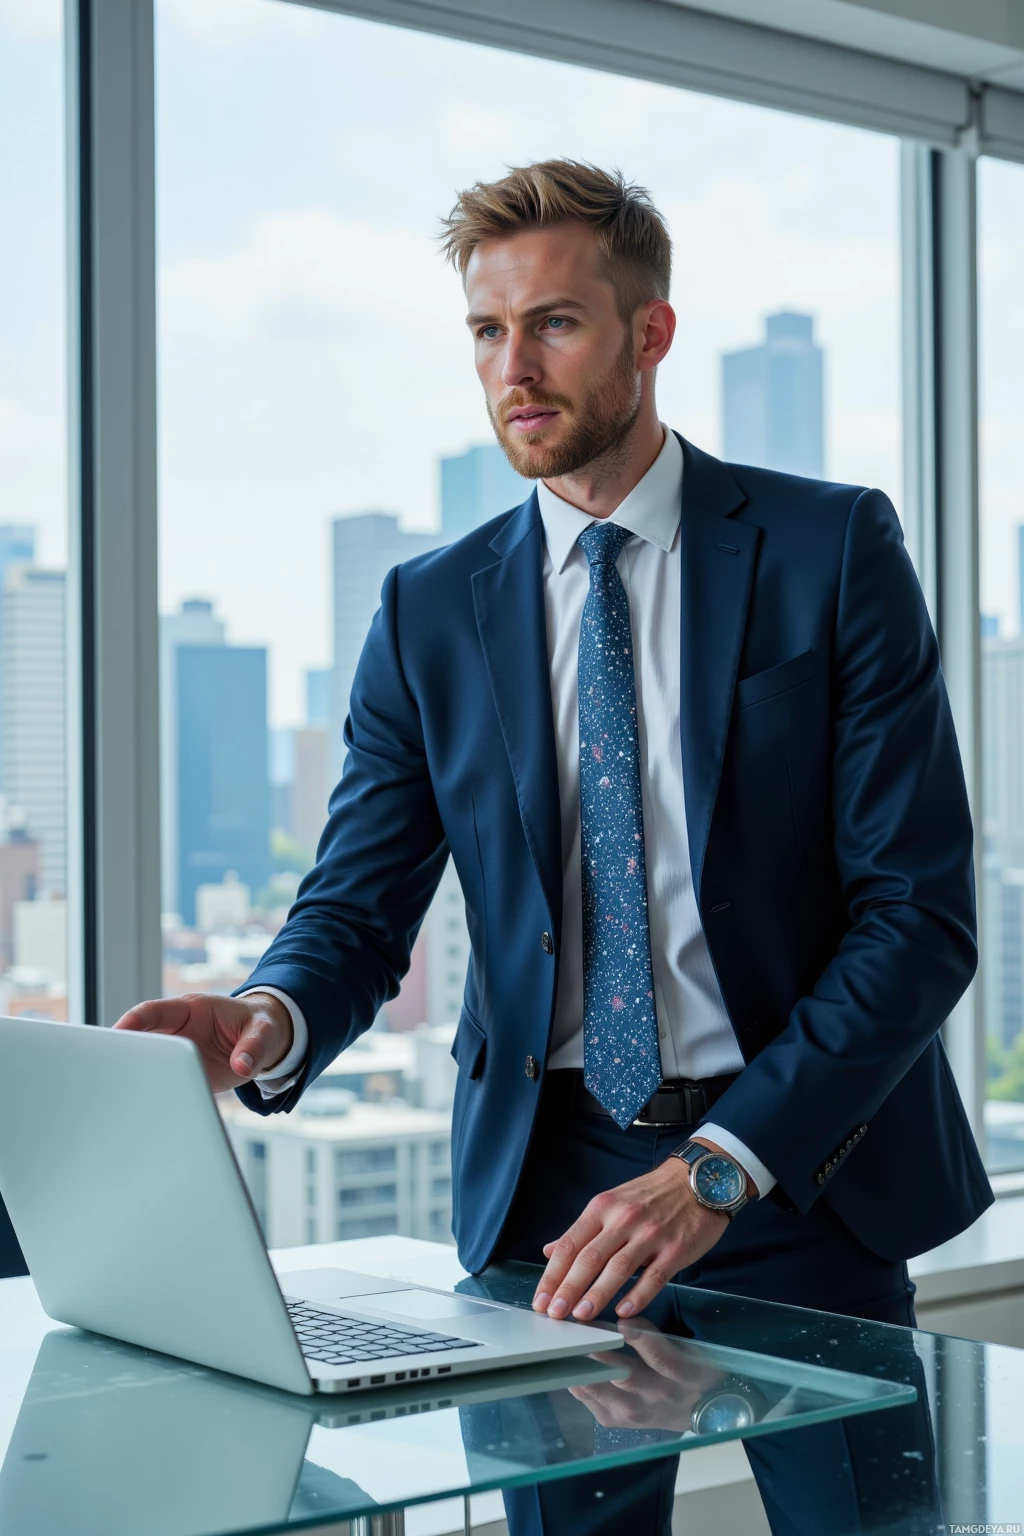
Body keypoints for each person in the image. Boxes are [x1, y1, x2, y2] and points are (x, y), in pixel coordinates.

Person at [117, 159, 992, 1534]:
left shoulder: (830, 550)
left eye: (556, 324)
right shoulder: (427, 609)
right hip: (552, 1189)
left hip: (801, 1167)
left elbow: (919, 917)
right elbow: (357, 903)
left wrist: (723, 1165)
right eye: (485, 331)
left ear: (651, 334)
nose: (512, 368)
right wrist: (263, 1015)